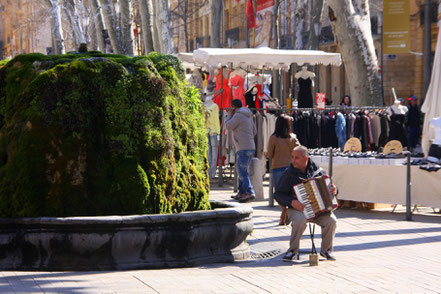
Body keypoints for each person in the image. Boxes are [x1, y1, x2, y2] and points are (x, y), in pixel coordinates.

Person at [274, 145, 338, 261]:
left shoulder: (318, 171)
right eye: (292, 157)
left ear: (306, 159)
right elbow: (278, 194)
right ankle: (292, 251)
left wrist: (335, 190)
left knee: (332, 220)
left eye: (296, 158)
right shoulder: (289, 174)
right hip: (297, 209)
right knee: (300, 220)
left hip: (318, 211)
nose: (293, 160)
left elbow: (330, 188)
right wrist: (292, 202)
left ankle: (327, 250)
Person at [267, 115, 300, 225]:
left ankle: (283, 210)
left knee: (279, 193)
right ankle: (288, 213)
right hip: (291, 169)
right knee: (291, 193)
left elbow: (270, 154)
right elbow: (299, 151)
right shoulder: (293, 137)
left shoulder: (273, 138)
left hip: (277, 168)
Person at [225, 99, 257, 202]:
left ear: (233, 107)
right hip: (250, 146)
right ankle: (241, 192)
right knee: (241, 169)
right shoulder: (248, 115)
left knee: (242, 171)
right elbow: (254, 131)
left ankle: (249, 192)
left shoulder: (238, 115)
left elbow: (228, 126)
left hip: (243, 147)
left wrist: (229, 115)